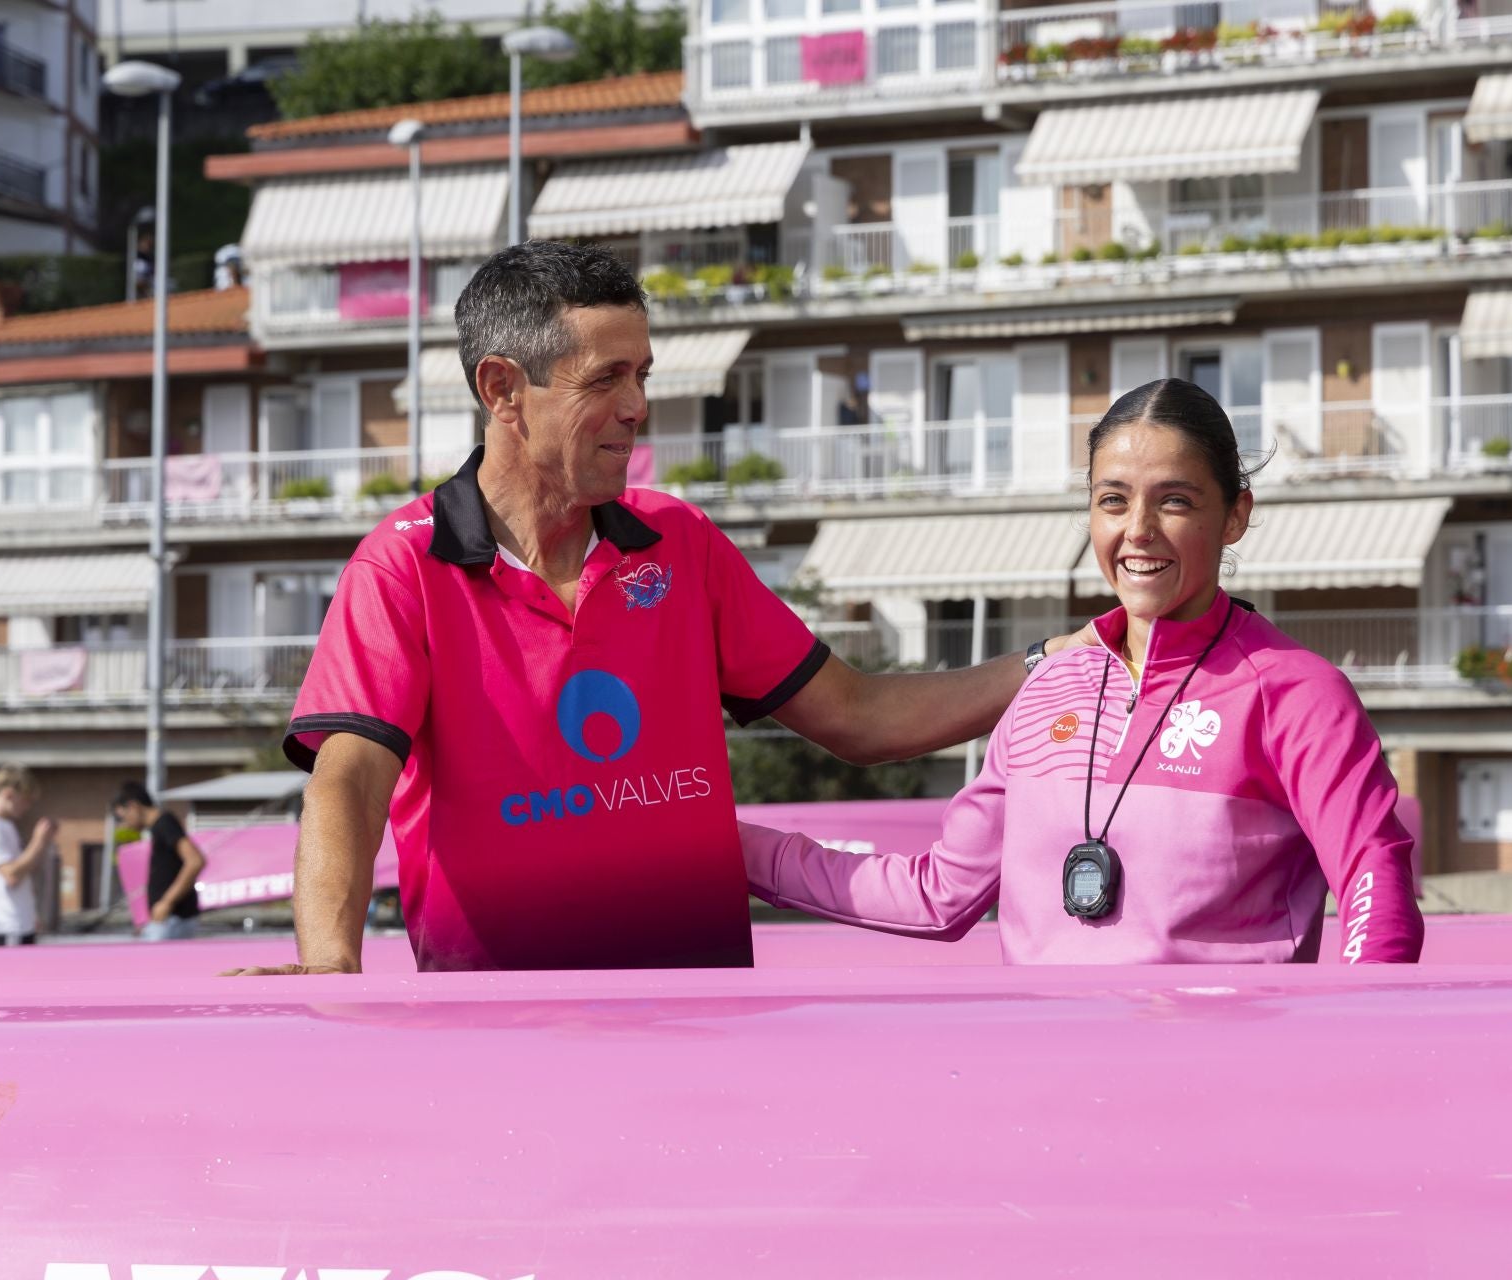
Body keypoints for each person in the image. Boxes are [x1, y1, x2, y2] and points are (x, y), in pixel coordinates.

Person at [232, 240, 1086, 976]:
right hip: (496, 1040)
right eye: (606, 379)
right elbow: (349, 781)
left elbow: (859, 718)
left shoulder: (682, 541)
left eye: (642, 375)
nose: (638, 407)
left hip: (697, 1026)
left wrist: (1064, 660)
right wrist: (329, 971)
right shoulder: (403, 564)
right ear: (502, 389)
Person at [742, 378, 1424, 964]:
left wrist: (1361, 1029)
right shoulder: (1049, 688)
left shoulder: (1293, 691)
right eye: (1114, 500)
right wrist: (734, 848)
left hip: (1219, 1097)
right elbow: (938, 894)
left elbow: (1375, 873)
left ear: (1235, 516)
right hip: (1053, 1095)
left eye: (1176, 501)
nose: (1140, 530)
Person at [0, 765, 56, 947]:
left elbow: (21, 872)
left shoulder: (5, 826)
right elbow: (11, 875)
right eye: (25, 800)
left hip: (16, 923)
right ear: (9, 794)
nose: (27, 807)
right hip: (5, 926)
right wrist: (38, 841)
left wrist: (31, 913)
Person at [113, 781, 205, 942]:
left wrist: (166, 902)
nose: (125, 823)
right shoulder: (159, 828)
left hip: (174, 918)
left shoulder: (165, 823)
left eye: (123, 816)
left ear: (133, 806)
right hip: (167, 919)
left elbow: (195, 861)